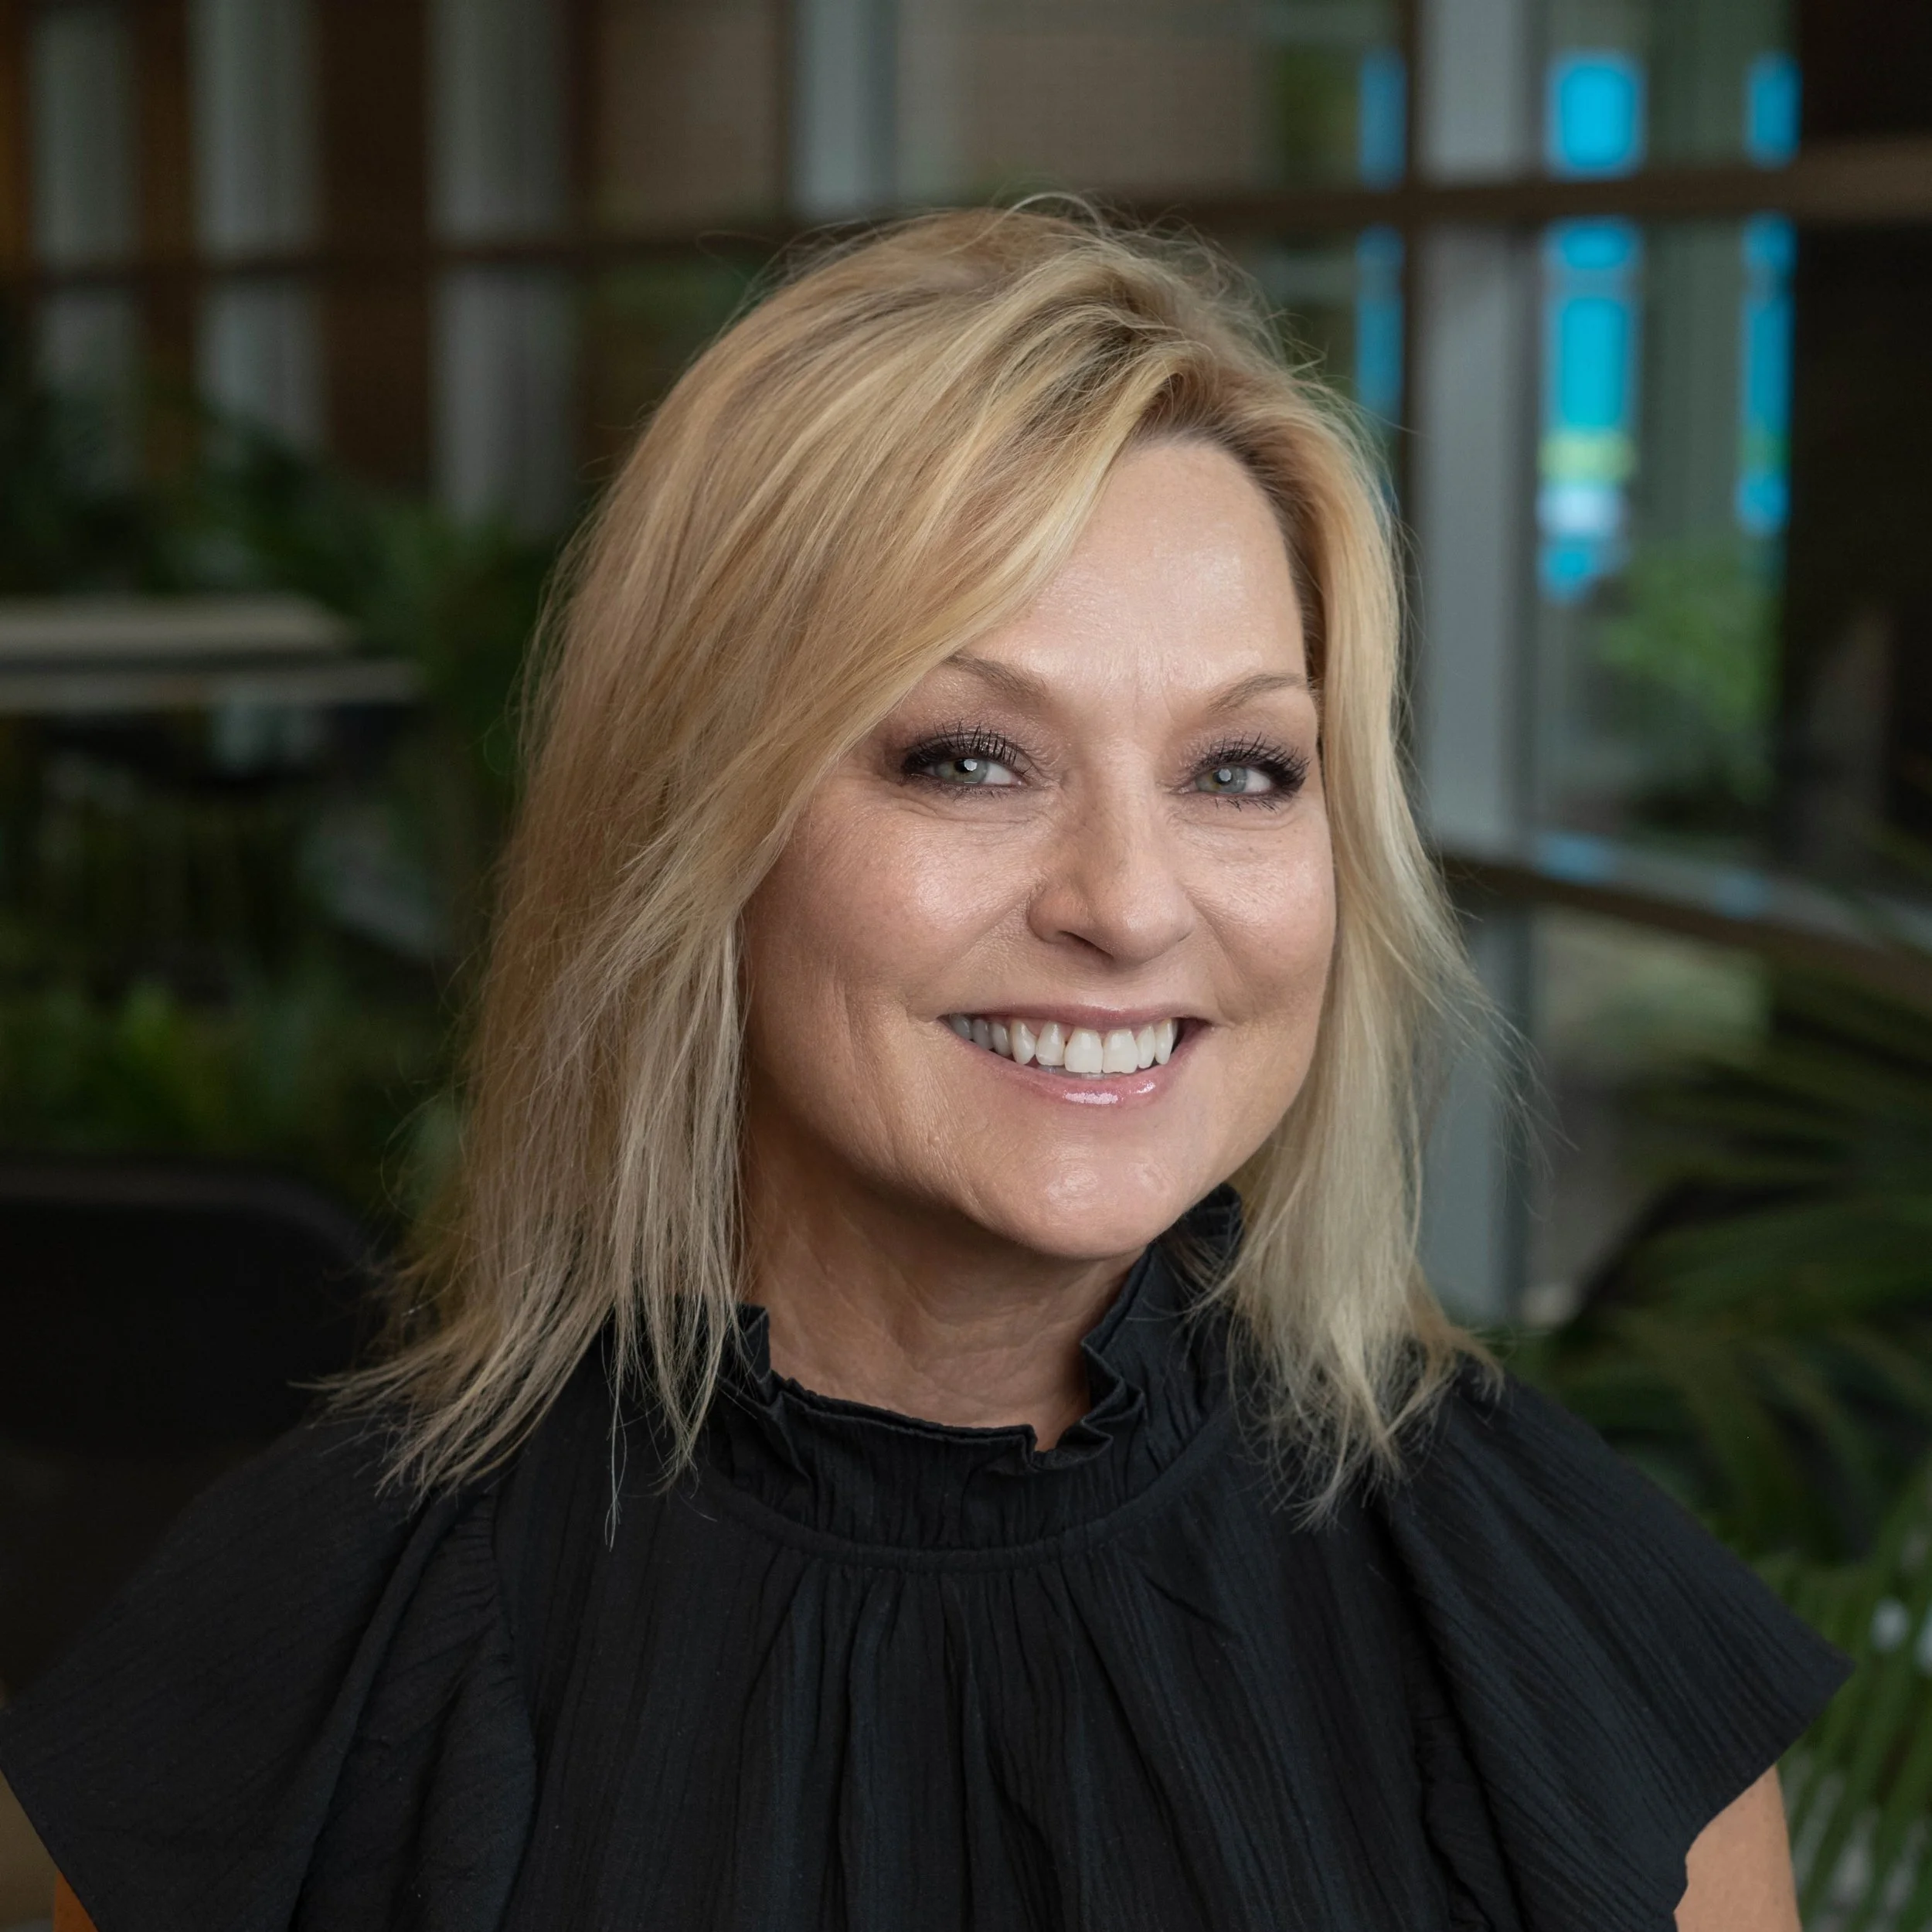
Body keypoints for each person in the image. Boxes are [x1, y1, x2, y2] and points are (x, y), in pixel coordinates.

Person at [1, 209, 1842, 1932]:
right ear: (695, 828)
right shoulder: (309, 1652)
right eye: (966, 756)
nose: (1128, 903)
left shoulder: (1552, 1624)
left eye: (1240, 769)